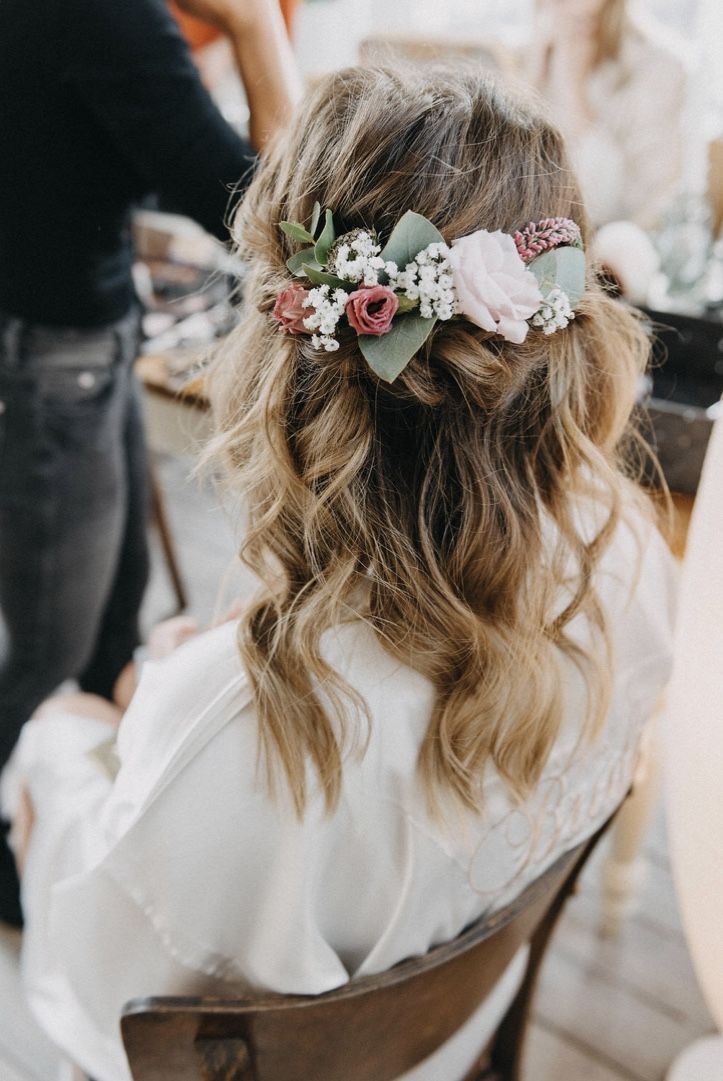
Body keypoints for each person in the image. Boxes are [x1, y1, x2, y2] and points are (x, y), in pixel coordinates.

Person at [1, 65, 676, 1081]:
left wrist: (75, 745)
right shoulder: (621, 553)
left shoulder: (275, 726)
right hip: (450, 1036)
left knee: (55, 731)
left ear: (286, 345)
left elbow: (115, 1001)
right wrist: (194, 699)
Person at [0, 0, 301, 924]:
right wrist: (254, 29)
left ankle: (84, 806)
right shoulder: (110, 14)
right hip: (53, 352)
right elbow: (278, 218)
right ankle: (23, 813)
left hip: (75, 335)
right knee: (49, 638)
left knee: (114, 596)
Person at [526, 0, 689, 231]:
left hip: (612, 243)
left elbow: (623, 209)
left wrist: (572, 89)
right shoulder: (533, 50)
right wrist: (532, 77)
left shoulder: (659, 69)